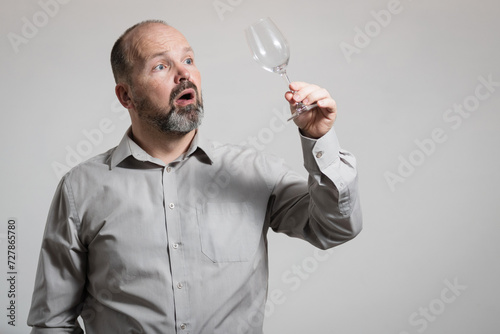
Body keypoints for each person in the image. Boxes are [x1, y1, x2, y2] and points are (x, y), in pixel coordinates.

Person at [27, 20, 362, 334]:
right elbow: (51, 322)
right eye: (161, 66)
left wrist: (319, 140)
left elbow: (334, 228)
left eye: (188, 60)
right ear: (126, 95)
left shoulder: (252, 171)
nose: (183, 74)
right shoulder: (80, 188)